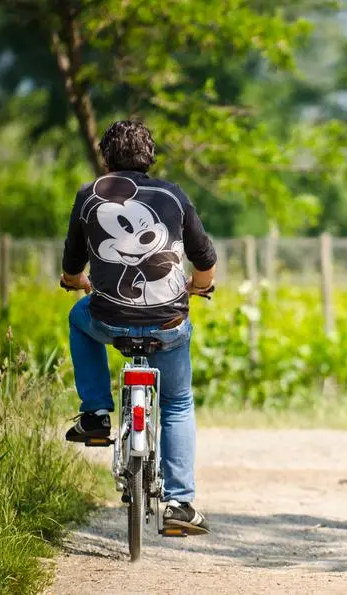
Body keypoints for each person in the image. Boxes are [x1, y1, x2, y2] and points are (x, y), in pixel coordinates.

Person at [60, 120, 217, 535]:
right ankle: (180, 504)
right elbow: (205, 260)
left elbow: (72, 265)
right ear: (150, 157)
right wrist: (200, 287)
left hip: (109, 319)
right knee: (178, 403)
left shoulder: (88, 195)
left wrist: (77, 282)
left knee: (79, 319)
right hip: (168, 322)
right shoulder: (174, 194)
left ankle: (95, 414)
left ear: (105, 157)